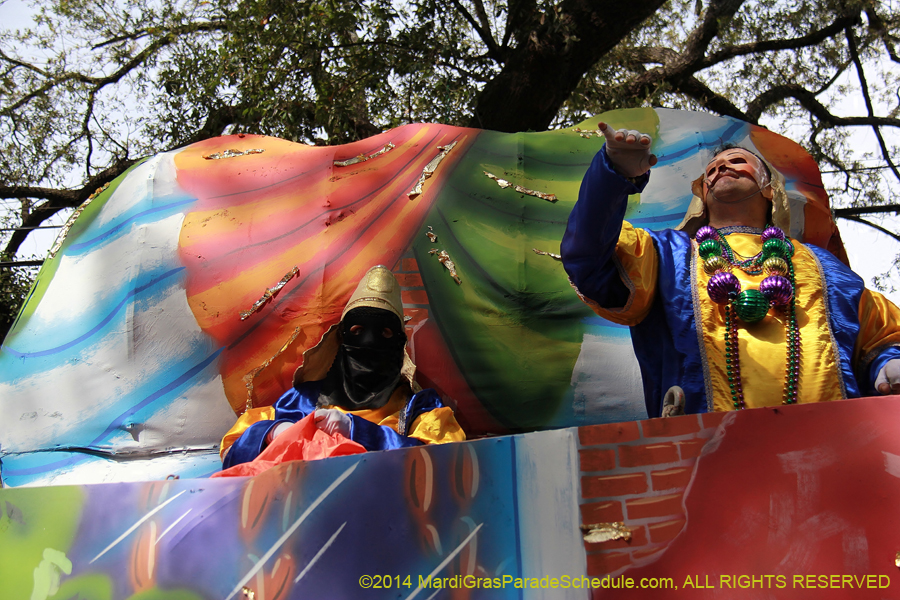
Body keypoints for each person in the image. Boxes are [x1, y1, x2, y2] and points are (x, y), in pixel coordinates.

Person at [561, 123, 900, 417]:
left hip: (832, 452)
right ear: (702, 197)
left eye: (737, 161)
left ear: (770, 190)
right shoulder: (666, 256)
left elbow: (879, 333)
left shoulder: (821, 266)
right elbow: (588, 255)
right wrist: (612, 176)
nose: (721, 169)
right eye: (711, 170)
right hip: (704, 452)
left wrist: (888, 363)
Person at [220, 265, 465, 468]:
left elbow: (444, 464)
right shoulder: (299, 401)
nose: (369, 343)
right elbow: (232, 451)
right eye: (358, 332)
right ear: (342, 340)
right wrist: (272, 433)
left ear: (399, 344)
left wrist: (357, 431)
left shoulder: (419, 409)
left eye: (384, 333)